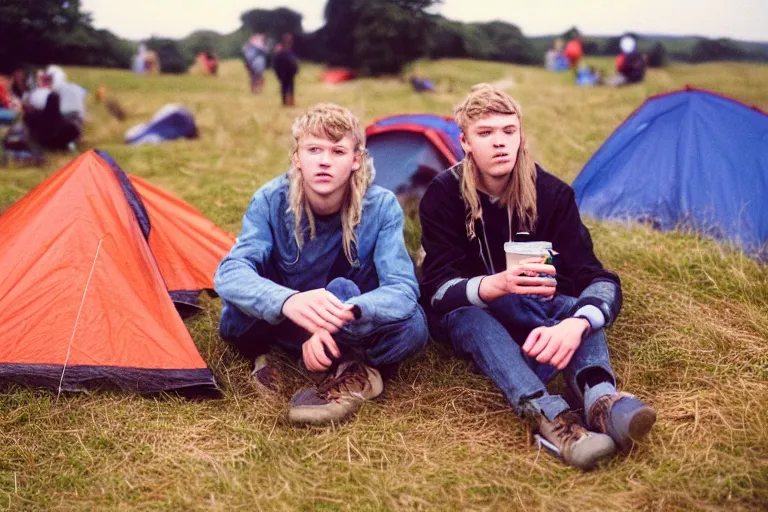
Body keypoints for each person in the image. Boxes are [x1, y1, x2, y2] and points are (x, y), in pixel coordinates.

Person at [418, 84, 656, 470]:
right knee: (470, 317)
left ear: (521, 136)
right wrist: (495, 285)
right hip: (475, 315)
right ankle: (549, 415)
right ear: (464, 141)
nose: (500, 143)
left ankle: (601, 401)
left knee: (578, 308)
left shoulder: (552, 194)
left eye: (509, 131)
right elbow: (435, 292)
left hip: (541, 310)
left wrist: (576, 324)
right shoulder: (443, 195)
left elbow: (595, 277)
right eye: (486, 133)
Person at [214, 103, 428, 425]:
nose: (325, 161)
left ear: (356, 160)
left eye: (338, 151)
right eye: (314, 149)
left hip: (347, 317)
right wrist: (288, 301)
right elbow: (230, 273)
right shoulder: (271, 200)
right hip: (287, 315)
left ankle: (332, 356)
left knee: (414, 327)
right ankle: (340, 359)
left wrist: (345, 314)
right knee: (234, 319)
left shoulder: (382, 206)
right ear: (297, 158)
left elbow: (402, 288)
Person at [272, 33, 299, 106]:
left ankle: (287, 102)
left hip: (286, 72)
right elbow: (293, 63)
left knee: (285, 87)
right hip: (285, 72)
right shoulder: (286, 53)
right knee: (288, 87)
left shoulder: (281, 52)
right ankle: (288, 102)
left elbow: (275, 63)